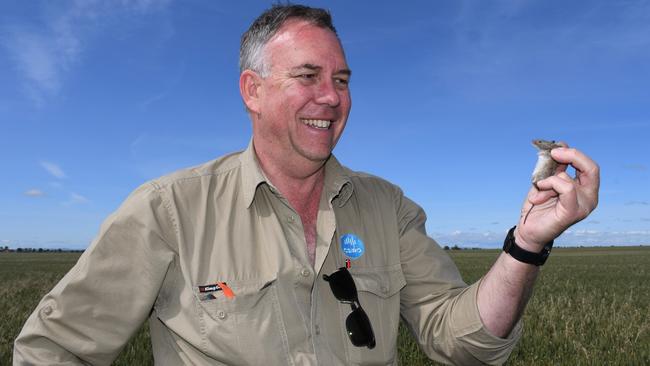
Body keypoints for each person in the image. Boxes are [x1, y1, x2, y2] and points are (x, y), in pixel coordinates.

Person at [14, 4, 599, 366]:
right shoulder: (169, 210)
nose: (331, 96)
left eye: (341, 79)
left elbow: (460, 341)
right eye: (308, 76)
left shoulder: (387, 207)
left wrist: (527, 243)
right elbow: (52, 350)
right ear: (252, 90)